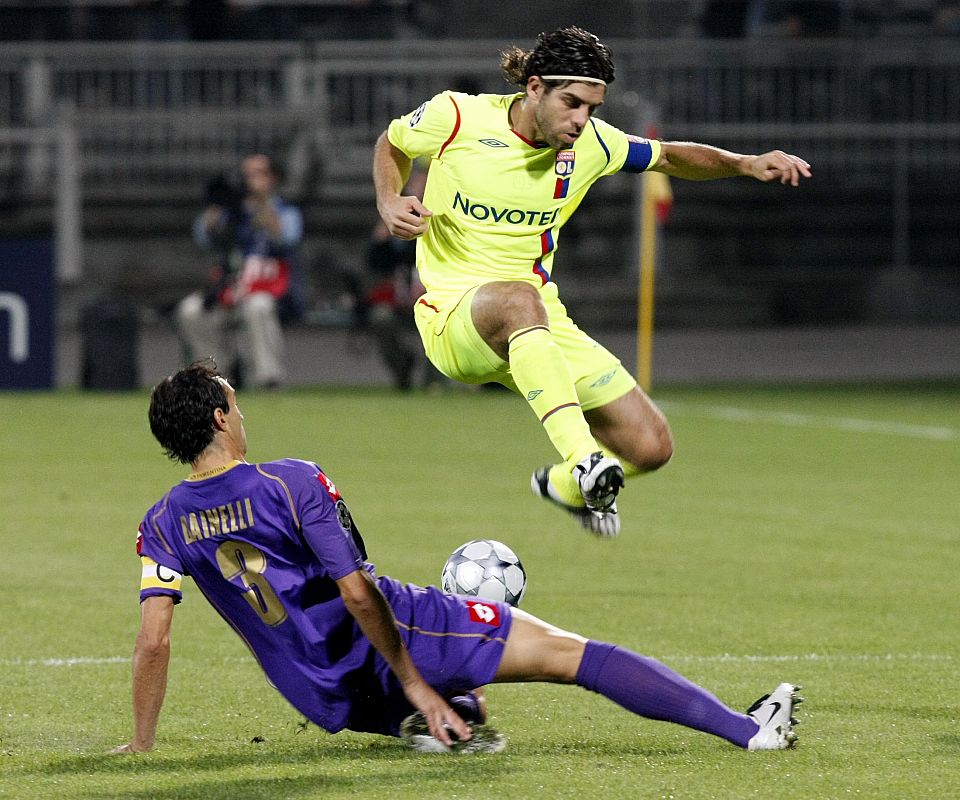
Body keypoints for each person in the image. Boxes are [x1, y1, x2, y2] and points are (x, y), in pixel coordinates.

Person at [112, 361, 801, 755]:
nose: (241, 409)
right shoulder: (290, 481)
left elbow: (153, 642)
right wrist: (410, 677)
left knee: (448, 695)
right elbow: (358, 593)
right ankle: (750, 733)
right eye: (233, 399)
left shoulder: (162, 522)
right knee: (574, 656)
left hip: (315, 690)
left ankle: (448, 715)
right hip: (389, 639)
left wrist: (142, 745)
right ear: (220, 418)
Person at [372, 26, 812, 537]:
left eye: (592, 109)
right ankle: (584, 459)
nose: (581, 120)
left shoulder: (593, 145)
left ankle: (563, 484)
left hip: (538, 320)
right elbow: (392, 142)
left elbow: (666, 155)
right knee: (519, 298)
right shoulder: (457, 116)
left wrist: (744, 163)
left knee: (650, 446)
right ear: (534, 87)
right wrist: (389, 199)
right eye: (572, 102)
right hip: (452, 319)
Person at [176, 153, 303, 389]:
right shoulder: (230, 212)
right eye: (246, 175)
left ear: (272, 178)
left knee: (258, 306)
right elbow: (203, 238)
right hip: (229, 289)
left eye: (258, 174)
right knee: (190, 311)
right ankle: (214, 378)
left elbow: (286, 238)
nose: (250, 180)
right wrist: (216, 204)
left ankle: (268, 379)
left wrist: (263, 202)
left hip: (269, 290)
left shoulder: (286, 210)